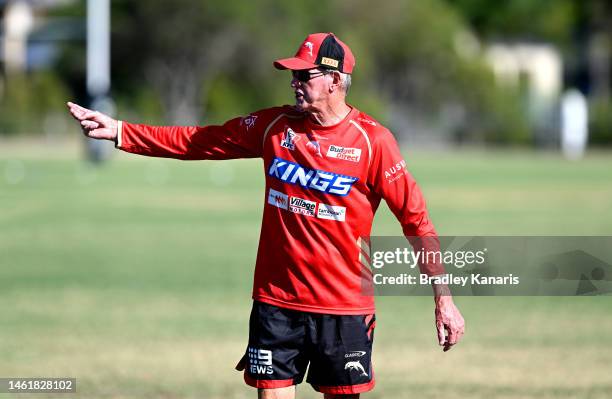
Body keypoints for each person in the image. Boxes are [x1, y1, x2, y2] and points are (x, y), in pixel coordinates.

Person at [67, 32, 465, 399]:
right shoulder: (274, 126)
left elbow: (417, 223)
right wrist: (120, 131)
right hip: (277, 304)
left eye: (303, 75)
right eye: (292, 75)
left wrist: (443, 300)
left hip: (343, 310)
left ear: (334, 80)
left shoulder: (373, 142)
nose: (294, 83)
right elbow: (199, 141)